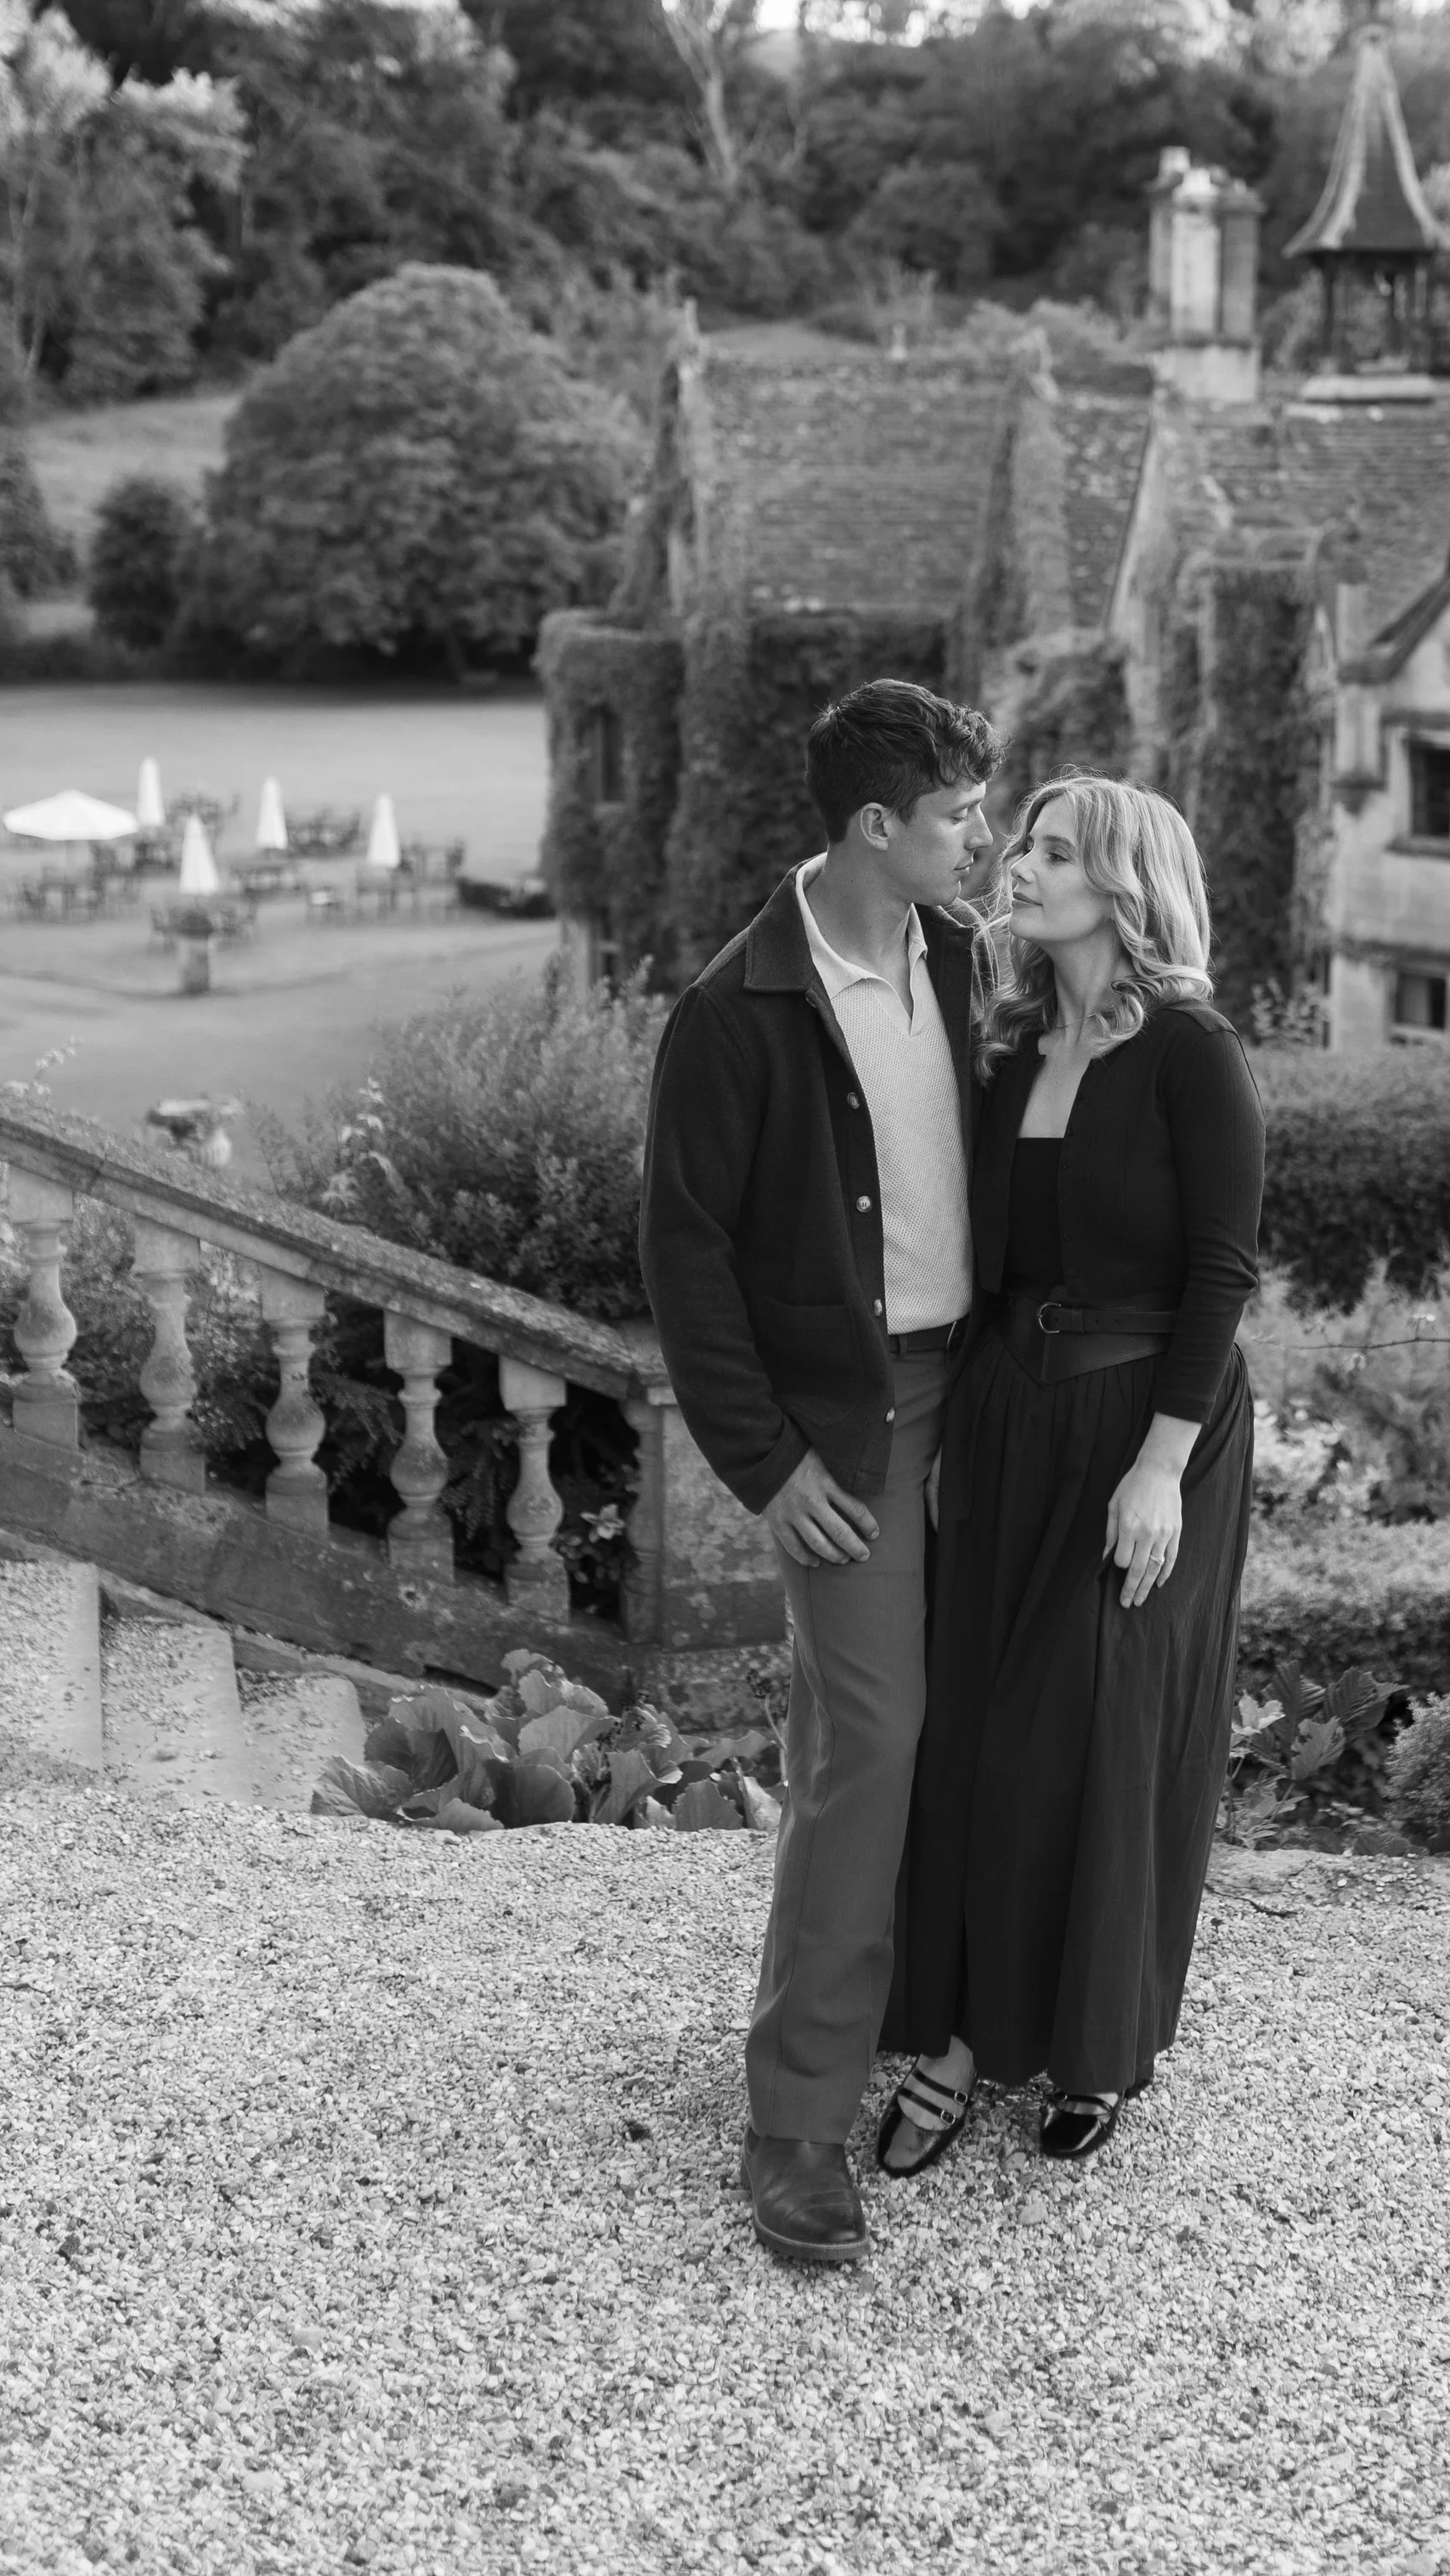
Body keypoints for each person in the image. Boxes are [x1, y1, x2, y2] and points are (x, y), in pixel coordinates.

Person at [639, 679, 997, 2264]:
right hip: (840, 1440)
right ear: (875, 827)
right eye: (957, 816)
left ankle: (897, 2019)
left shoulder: (968, 959)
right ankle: (796, 2124)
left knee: (885, 1734)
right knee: (879, 1730)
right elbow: (686, 1263)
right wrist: (767, 1465)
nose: (978, 839)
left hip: (977, 1405)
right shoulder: (740, 1008)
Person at [883, 776, 1264, 2173]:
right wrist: (944, 1441)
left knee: (1087, 1734)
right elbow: (980, 1265)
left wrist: (1160, 1467)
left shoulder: (1190, 1050)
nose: (1018, 867)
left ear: (1123, 879)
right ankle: (962, 2028)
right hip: (1005, 1420)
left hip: (1148, 1433)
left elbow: (1222, 1268)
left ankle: (1085, 2042)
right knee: (978, 1732)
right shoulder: (1004, 1041)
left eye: (1051, 849)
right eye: (1024, 844)